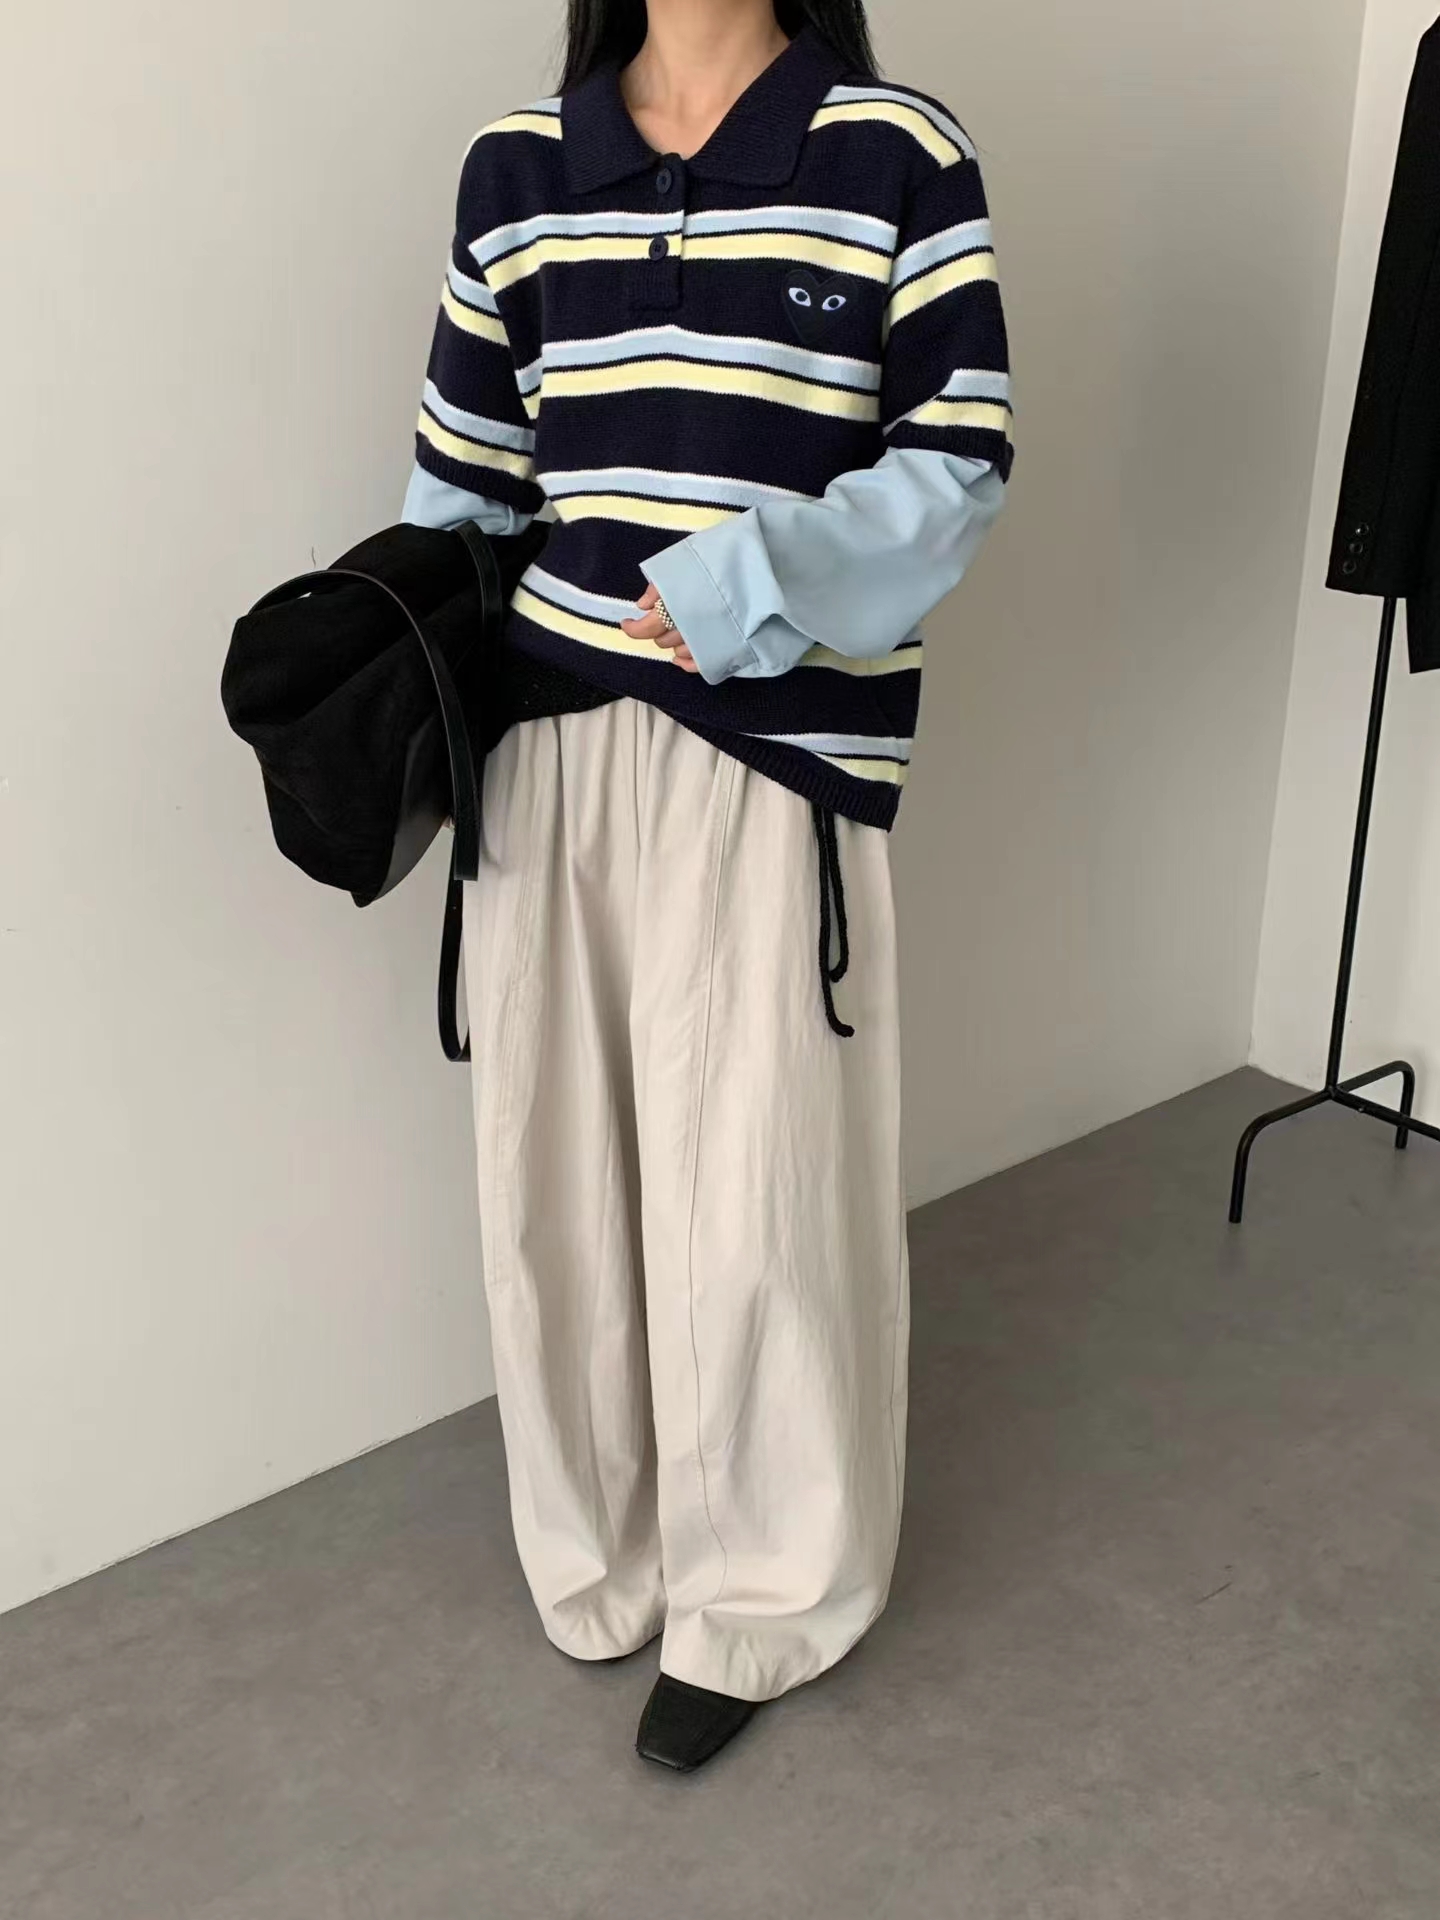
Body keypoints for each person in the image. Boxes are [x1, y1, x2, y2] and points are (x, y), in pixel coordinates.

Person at [401, 0, 1013, 1773]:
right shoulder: (519, 167)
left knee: (758, 1188)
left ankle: (757, 1597)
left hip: (772, 750)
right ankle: (601, 1554)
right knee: (553, 1176)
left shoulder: (895, 151)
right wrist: (383, 687)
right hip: (545, 747)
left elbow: (956, 465)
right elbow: (463, 489)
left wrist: (740, 583)